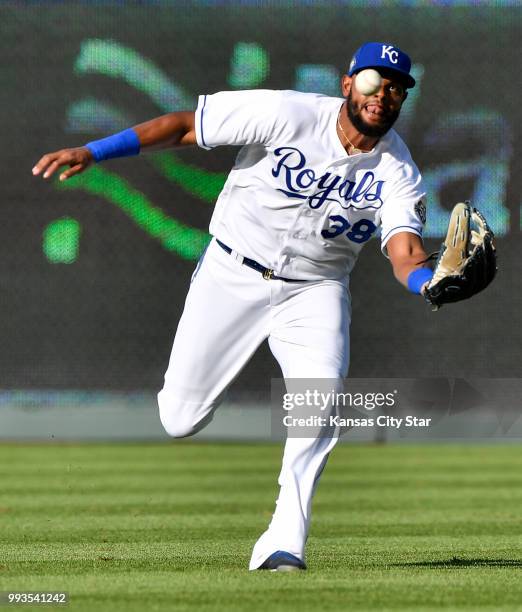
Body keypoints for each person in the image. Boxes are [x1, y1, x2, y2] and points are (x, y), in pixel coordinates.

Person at [32, 42, 432, 572]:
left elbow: (404, 250)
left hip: (315, 290)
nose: (381, 95)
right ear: (346, 84)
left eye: (395, 87)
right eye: (370, 82)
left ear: (402, 97)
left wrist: (427, 283)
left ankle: (283, 543)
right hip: (232, 270)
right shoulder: (287, 113)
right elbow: (183, 126)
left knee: (320, 404)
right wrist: (95, 151)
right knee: (179, 417)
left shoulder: (398, 172)